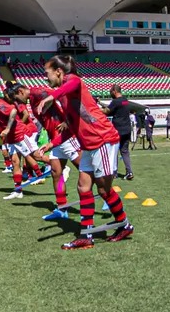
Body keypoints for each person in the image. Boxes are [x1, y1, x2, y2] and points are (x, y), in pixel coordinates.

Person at [36, 55, 132, 250]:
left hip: (102, 140)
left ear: (58, 71)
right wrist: (51, 144)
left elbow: (69, 85)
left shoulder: (74, 81)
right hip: (88, 145)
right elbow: (71, 126)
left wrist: (49, 97)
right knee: (83, 187)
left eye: (47, 73)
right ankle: (87, 235)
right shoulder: (63, 95)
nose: (45, 77)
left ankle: (124, 224)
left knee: (104, 190)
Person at [0, 82, 44, 200]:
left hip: (20, 134)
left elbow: (13, 111)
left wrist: (7, 129)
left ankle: (62, 168)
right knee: (14, 162)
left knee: (36, 156)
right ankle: (18, 191)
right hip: (13, 137)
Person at [26, 85, 82, 221]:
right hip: (55, 140)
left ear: (20, 92)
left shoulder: (37, 92)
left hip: (67, 138)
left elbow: (62, 95)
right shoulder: (32, 100)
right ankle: (62, 208)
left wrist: (67, 121)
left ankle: (107, 195)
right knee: (56, 173)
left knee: (86, 170)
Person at [102, 84, 134, 180]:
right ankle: (129, 172)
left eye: (111, 92)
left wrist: (95, 109)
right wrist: (100, 102)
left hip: (118, 130)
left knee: (114, 151)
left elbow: (107, 111)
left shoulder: (115, 101)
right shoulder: (125, 100)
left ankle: (114, 172)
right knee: (124, 151)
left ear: (114, 91)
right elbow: (114, 109)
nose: (110, 93)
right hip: (127, 129)